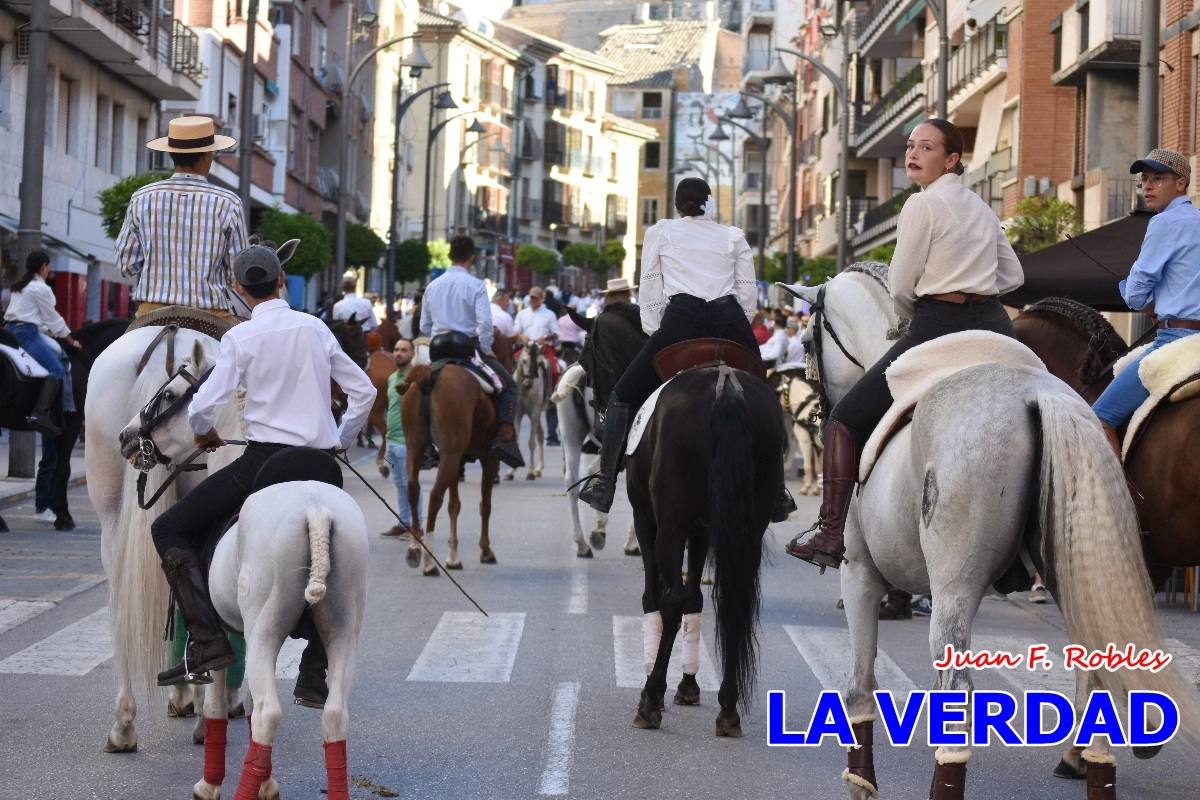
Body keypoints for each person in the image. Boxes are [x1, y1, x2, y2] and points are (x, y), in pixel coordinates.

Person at [785, 118, 1024, 571]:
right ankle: (1022, 551)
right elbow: (1014, 277)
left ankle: (830, 532)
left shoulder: (921, 204)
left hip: (937, 323)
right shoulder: (982, 207)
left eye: (926, 147)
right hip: (993, 325)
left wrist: (918, 309)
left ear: (951, 159)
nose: (913, 155)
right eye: (911, 146)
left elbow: (898, 286)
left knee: (843, 419)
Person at [145, 244, 376, 697]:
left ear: (238, 289)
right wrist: (341, 440)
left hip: (263, 463)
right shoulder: (315, 329)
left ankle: (207, 641)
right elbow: (363, 391)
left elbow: (205, 404)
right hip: (321, 465)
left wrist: (203, 432)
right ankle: (314, 665)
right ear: (281, 281)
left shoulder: (241, 337)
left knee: (169, 528)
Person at [578, 177, 795, 524]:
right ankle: (779, 491)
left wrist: (657, 332)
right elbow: (747, 294)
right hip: (728, 320)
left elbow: (649, 287)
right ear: (709, 203)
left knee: (621, 394)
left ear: (678, 206)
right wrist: (736, 326)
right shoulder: (733, 235)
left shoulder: (661, 232)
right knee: (766, 394)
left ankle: (604, 481)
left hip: (681, 318)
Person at [1091, 148, 1200, 456]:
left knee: (1097, 417)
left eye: (1158, 178)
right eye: (1144, 179)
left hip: (1175, 340)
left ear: (1181, 184)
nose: (1148, 186)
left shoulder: (1164, 223)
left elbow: (1137, 296)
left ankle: (1117, 499)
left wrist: (1128, 287)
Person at [115, 116, 248, 319]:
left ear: (172, 155)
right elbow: (238, 272)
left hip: (151, 313)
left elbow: (126, 265)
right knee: (242, 350)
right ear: (207, 156)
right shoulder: (229, 203)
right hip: (210, 313)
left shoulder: (142, 197)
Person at [419, 235, 525, 468]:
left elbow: (423, 327)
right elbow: (485, 325)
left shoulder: (432, 286)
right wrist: (487, 350)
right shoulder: (476, 285)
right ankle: (505, 434)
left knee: (416, 386)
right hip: (465, 348)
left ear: (449, 256)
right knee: (509, 386)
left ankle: (423, 441)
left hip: (436, 350)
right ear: (472, 258)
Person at [3, 250, 81, 435]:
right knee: (57, 369)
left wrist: (49, 332)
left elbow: (35, 318)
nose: (49, 269)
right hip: (26, 334)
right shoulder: (40, 288)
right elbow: (52, 318)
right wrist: (70, 339)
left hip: (9, 330)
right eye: (48, 266)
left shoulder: (19, 286)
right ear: (43, 267)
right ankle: (41, 413)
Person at [382, 338, 422, 537]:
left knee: (411, 483)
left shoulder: (416, 379)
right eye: (396, 350)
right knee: (399, 484)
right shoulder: (391, 378)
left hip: (408, 442)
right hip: (392, 440)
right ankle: (404, 522)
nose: (399, 353)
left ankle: (417, 526)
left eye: (404, 350)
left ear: (412, 354)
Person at [514, 285, 561, 387]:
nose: (533, 300)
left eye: (535, 298)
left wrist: (545, 337)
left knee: (554, 371)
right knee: (511, 366)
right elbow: (515, 332)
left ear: (542, 299)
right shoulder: (522, 314)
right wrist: (522, 336)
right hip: (526, 348)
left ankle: (551, 398)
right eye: (531, 297)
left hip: (543, 349)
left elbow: (557, 334)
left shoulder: (550, 314)